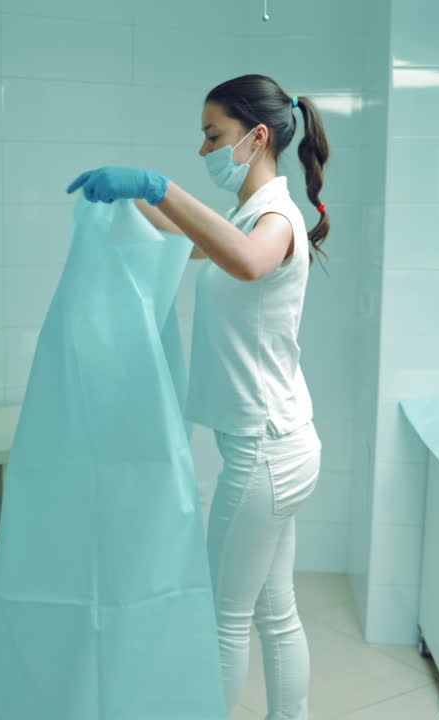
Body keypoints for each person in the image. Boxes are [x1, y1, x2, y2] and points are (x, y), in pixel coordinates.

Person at [66, 73, 330, 720]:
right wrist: (129, 203)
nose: (204, 147)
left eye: (214, 134)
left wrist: (159, 186)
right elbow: (191, 241)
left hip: (265, 453)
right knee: (275, 609)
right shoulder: (246, 213)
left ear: (257, 135)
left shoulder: (275, 219)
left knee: (223, 618)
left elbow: (244, 259)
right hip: (284, 443)